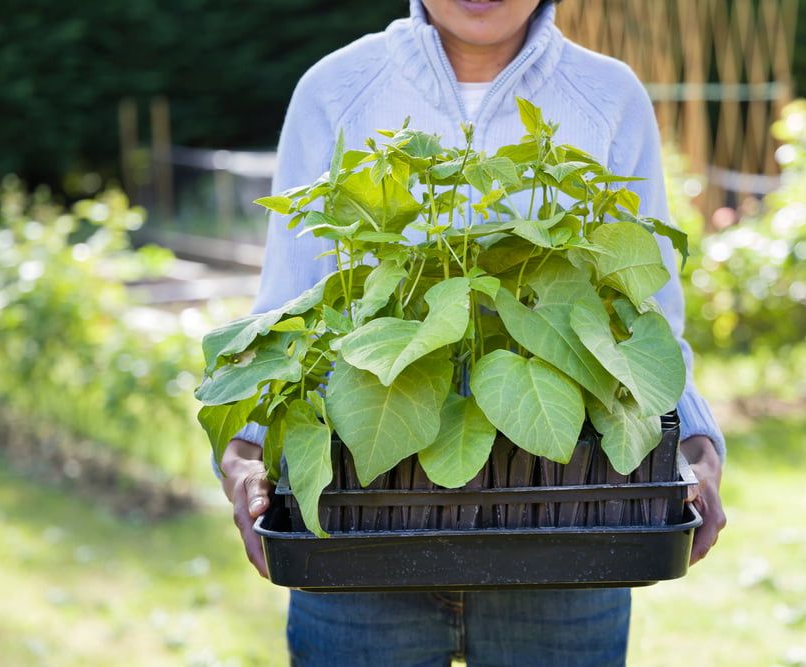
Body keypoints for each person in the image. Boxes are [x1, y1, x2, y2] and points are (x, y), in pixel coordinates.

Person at [219, 1, 727, 664]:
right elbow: (287, 315)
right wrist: (245, 451)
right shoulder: (336, 89)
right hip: (358, 535)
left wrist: (694, 440)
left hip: (565, 535)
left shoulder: (608, 95)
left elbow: (646, 319)